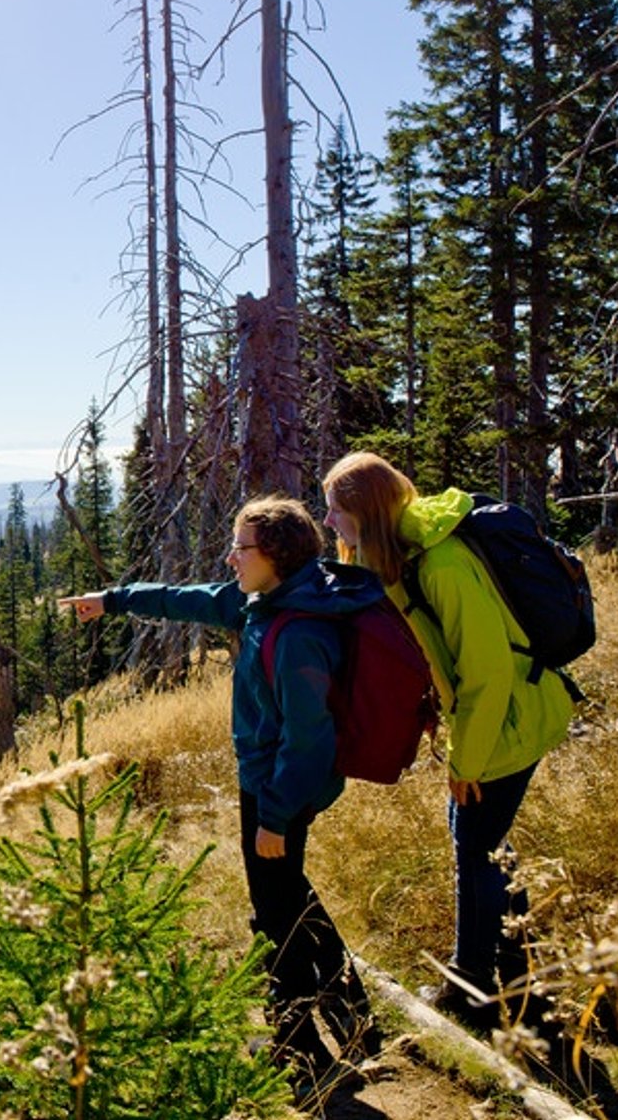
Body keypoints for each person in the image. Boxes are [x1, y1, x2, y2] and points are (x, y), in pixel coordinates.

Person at [62, 496, 383, 1099]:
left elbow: (308, 741)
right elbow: (192, 599)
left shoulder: (298, 633)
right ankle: (355, 1022)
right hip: (271, 787)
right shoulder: (266, 601)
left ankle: (300, 1054)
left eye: (243, 547)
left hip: (277, 791)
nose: (231, 556)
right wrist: (113, 600)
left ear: (279, 556)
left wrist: (275, 817)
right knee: (291, 894)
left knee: (274, 914)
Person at [319, 451, 575, 1034]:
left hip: (512, 720)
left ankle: (471, 989)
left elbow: (488, 672)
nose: (330, 522)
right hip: (495, 720)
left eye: (336, 510)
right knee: (485, 842)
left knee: (474, 845)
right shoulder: (409, 556)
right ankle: (519, 974)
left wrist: (468, 761)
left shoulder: (442, 565)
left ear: (367, 512)